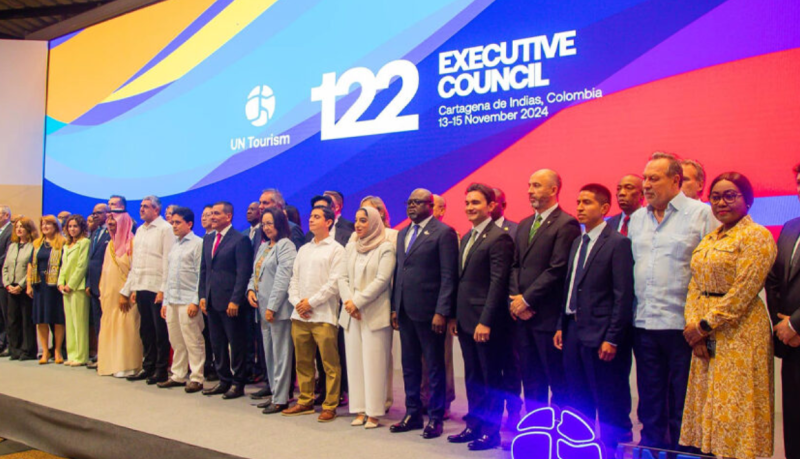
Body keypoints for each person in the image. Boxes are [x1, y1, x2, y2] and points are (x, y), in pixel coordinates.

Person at [679, 172, 776, 459]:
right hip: (705, 333)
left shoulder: (757, 235)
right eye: (716, 197)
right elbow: (695, 286)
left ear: (748, 199)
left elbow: (744, 291)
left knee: (736, 408)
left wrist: (705, 325)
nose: (722, 203)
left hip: (740, 332)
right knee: (708, 405)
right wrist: (694, 329)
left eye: (730, 196)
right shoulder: (710, 238)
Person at [628, 152, 718, 450]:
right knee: (650, 404)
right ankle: (653, 452)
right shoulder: (637, 218)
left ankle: (685, 454)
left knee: (684, 405)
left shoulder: (701, 214)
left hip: (684, 328)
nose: (645, 185)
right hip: (644, 325)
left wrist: (704, 326)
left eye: (654, 179)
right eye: (645, 178)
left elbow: (713, 271)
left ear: (675, 180)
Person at [553, 184, 634, 450]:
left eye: (587, 202)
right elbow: (570, 286)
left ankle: (610, 448)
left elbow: (622, 295)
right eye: (578, 202)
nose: (580, 207)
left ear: (604, 208)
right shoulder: (578, 242)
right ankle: (582, 445)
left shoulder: (618, 243)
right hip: (572, 329)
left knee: (606, 395)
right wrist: (561, 324)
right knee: (577, 394)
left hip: (601, 334)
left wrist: (612, 338)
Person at [448, 183, 514, 451]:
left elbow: (498, 283)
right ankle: (473, 425)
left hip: (486, 323)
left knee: (490, 379)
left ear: (491, 206)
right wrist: (454, 316)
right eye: (467, 203)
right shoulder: (467, 236)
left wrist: (485, 321)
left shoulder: (499, 238)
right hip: (465, 320)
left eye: (475, 203)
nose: (470, 207)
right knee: (473, 377)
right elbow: (462, 281)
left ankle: (491, 432)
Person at [509, 169, 580, 410]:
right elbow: (515, 265)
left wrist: (527, 299)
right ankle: (535, 426)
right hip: (523, 318)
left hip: (547, 318)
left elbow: (557, 269)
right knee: (530, 380)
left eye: (537, 185)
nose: (530, 190)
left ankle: (558, 428)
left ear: (553, 189)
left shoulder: (566, 223)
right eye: (530, 185)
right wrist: (516, 301)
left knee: (557, 380)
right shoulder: (524, 224)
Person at [390, 188, 459, 439]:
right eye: (409, 202)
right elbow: (400, 271)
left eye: (417, 202)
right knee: (409, 365)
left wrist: (442, 311)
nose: (411, 206)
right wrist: (395, 307)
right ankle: (413, 413)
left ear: (430, 206)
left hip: (431, 313)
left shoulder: (444, 232)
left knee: (434, 367)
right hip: (405, 310)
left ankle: (436, 417)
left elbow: (449, 275)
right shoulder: (403, 233)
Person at [282, 206, 344, 422]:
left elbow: (334, 284)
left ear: (329, 222)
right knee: (303, 362)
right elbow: (294, 279)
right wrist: (297, 302)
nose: (311, 220)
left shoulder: (336, 249)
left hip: (324, 315)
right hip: (300, 315)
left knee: (329, 364)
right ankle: (305, 400)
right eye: (310, 216)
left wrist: (311, 303)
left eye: (317, 217)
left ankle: (330, 404)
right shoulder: (304, 249)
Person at [338, 206, 396, 429]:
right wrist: (349, 302)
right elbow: (342, 278)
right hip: (351, 314)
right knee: (355, 364)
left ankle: (373, 412)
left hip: (374, 313)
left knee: (374, 365)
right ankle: (360, 409)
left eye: (363, 220)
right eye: (356, 220)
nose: (358, 224)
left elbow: (382, 280)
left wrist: (358, 302)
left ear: (374, 222)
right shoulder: (351, 247)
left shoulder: (385, 248)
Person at [199, 202, 253, 399]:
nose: (212, 217)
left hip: (231, 302)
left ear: (228, 216)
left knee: (236, 343)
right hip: (212, 300)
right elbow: (204, 269)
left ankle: (238, 383)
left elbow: (243, 273)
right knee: (217, 343)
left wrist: (236, 300)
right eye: (211, 213)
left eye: (216, 213)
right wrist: (202, 295)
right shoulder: (208, 239)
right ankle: (224, 380)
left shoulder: (240, 240)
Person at [247, 207, 297, 413]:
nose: (266, 228)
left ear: (280, 223)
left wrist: (272, 307)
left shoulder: (286, 246)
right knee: (269, 355)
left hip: (278, 310)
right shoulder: (264, 246)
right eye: (264, 224)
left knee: (281, 355)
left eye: (270, 223)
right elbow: (255, 273)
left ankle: (282, 398)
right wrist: (250, 289)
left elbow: (283, 279)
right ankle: (275, 393)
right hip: (262, 309)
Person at [120, 195, 174, 385]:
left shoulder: (165, 229)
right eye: (141, 206)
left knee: (160, 332)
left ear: (156, 209)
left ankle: (161, 370)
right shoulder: (140, 230)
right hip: (141, 286)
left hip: (156, 287)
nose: (141, 209)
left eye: (146, 206)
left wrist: (163, 289)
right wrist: (132, 288)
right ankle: (148, 366)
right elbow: (137, 262)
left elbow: (168, 260)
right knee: (146, 330)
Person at [766, 162, 800, 459]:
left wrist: (796, 324)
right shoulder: (790, 227)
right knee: (794, 421)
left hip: (796, 330)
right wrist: (783, 325)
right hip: (792, 345)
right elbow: (775, 280)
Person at [157, 207, 205, 393]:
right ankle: (178, 375)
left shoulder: (198, 244)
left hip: (188, 300)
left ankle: (197, 377)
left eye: (178, 222)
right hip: (173, 300)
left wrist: (195, 301)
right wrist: (165, 301)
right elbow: (169, 275)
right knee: (176, 340)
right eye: (172, 222)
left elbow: (201, 274)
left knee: (193, 340)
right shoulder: (174, 245)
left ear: (189, 224)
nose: (174, 226)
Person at [97, 211, 143, 377]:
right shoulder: (110, 245)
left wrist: (127, 293)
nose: (110, 223)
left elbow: (136, 270)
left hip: (127, 296)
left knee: (127, 328)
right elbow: (105, 271)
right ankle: (111, 364)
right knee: (111, 327)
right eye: (108, 221)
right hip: (109, 295)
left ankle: (128, 365)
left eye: (114, 221)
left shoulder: (133, 243)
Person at [492, 187, 521, 427]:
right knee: (488, 366)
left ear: (503, 205)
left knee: (511, 365)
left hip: (508, 310)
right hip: (483, 310)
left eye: (495, 202)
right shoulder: (473, 233)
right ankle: (489, 414)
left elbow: (516, 268)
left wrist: (514, 300)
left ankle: (513, 412)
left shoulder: (515, 230)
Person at [28, 215, 66, 364]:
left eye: (48, 224)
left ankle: (57, 350)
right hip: (40, 285)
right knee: (41, 319)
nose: (45, 227)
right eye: (43, 224)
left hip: (55, 286)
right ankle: (44, 351)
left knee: (57, 319)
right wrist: (29, 285)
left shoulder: (62, 242)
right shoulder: (37, 244)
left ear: (55, 226)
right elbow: (31, 264)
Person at [2, 217, 37, 360]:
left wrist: (21, 285)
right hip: (10, 286)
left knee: (26, 320)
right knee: (12, 319)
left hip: (24, 287)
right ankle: (14, 349)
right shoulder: (12, 246)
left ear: (29, 229)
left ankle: (27, 350)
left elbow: (31, 268)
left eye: (22, 227)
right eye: (17, 227)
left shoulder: (33, 246)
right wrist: (7, 284)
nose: (19, 229)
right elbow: (5, 267)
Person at [58, 215, 91, 366]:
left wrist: (70, 284)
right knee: (70, 322)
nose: (72, 229)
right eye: (70, 226)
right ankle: (72, 354)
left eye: (75, 226)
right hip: (65, 288)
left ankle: (81, 356)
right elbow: (63, 266)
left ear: (81, 227)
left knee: (79, 323)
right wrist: (60, 283)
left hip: (77, 287)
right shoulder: (67, 245)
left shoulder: (84, 243)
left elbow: (81, 266)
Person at [86, 204, 110, 368]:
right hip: (93, 284)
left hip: (107, 283)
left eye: (99, 213)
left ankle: (107, 355)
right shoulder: (94, 232)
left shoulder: (112, 232)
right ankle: (100, 353)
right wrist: (88, 282)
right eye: (93, 213)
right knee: (97, 321)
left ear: (108, 214)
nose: (95, 216)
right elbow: (91, 260)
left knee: (107, 321)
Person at [0, 205, 12, 357]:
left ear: (6, 215)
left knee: (6, 313)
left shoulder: (11, 231)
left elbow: (7, 254)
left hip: (5, 277)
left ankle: (9, 343)